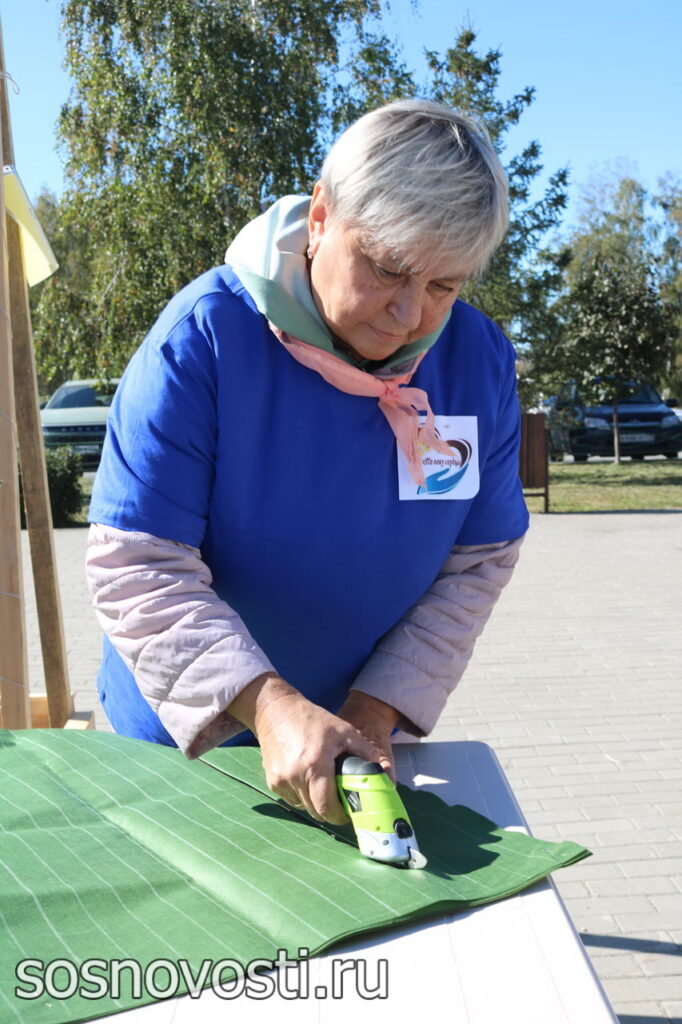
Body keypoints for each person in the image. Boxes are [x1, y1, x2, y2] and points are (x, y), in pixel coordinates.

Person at [86, 98, 529, 826]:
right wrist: (268, 705)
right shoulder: (204, 341)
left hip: (357, 738)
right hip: (180, 742)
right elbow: (138, 564)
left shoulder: (475, 362)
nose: (409, 315)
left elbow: (477, 562)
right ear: (320, 218)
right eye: (388, 269)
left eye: (444, 285)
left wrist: (377, 706)